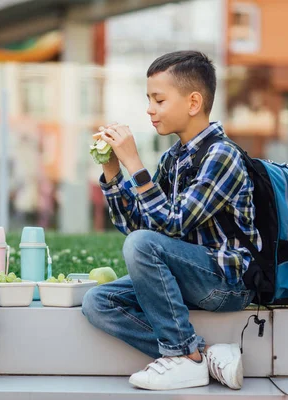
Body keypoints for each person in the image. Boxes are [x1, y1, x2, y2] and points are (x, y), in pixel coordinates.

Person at [82, 51, 261, 391]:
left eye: (159, 100)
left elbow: (175, 225)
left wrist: (135, 163)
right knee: (98, 302)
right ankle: (200, 354)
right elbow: (136, 227)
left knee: (142, 245)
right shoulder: (173, 159)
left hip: (227, 283)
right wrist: (113, 171)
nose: (150, 109)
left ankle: (181, 356)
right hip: (186, 276)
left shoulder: (222, 155)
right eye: (148, 99)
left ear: (194, 102)